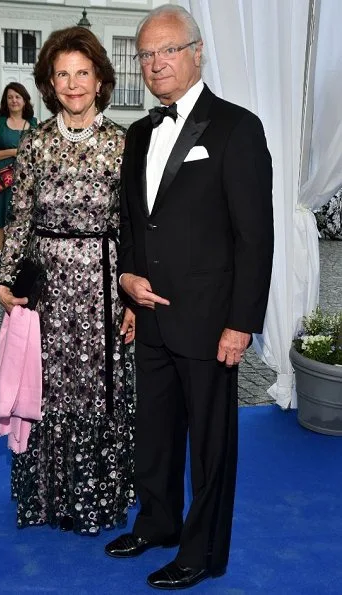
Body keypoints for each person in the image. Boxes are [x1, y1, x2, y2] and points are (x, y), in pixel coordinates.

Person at [105, 4, 274, 590]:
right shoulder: (140, 133)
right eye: (146, 54)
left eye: (167, 50)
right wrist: (127, 281)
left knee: (210, 443)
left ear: (197, 52)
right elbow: (132, 223)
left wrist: (241, 322)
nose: (155, 64)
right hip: (149, 315)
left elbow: (255, 236)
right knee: (154, 428)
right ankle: (158, 523)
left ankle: (202, 552)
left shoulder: (236, 128)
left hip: (209, 321)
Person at [0, 26, 136, 536]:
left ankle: (97, 499)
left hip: (102, 284)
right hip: (48, 287)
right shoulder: (34, 143)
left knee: (99, 392)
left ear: (100, 80)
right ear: (49, 84)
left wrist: (131, 299)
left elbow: (134, 228)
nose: (73, 84)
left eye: (83, 73)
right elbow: (21, 215)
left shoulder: (123, 144)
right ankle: (49, 499)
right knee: (46, 389)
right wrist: (6, 279)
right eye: (62, 74)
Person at [0, 82, 37, 253]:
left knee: (24, 222)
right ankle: (0, 261)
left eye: (17, 97)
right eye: (10, 97)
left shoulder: (34, 124)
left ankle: (20, 259)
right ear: (5, 101)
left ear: (24, 100)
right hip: (3, 181)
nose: (14, 100)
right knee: (0, 222)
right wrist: (13, 152)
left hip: (26, 184)